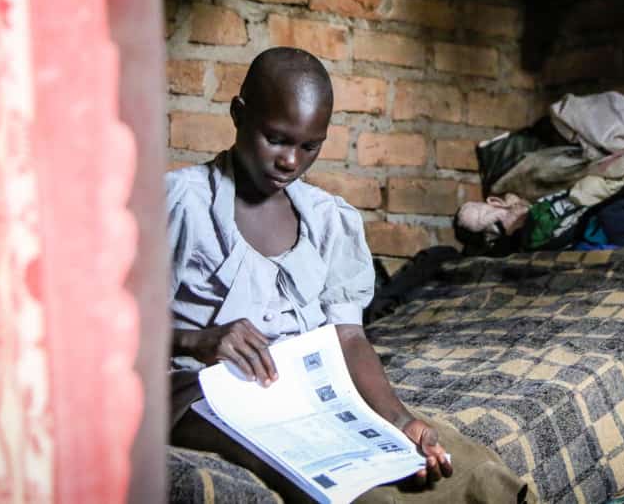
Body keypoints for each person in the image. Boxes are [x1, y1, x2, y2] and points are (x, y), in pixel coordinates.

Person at [166, 47, 522, 502]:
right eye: (275, 138)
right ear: (238, 114)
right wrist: (198, 339)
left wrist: (399, 419)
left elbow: (348, 337)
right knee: (359, 494)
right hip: (203, 392)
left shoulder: (329, 220)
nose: (290, 161)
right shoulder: (180, 205)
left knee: (463, 469)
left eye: (308, 146)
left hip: (305, 396)